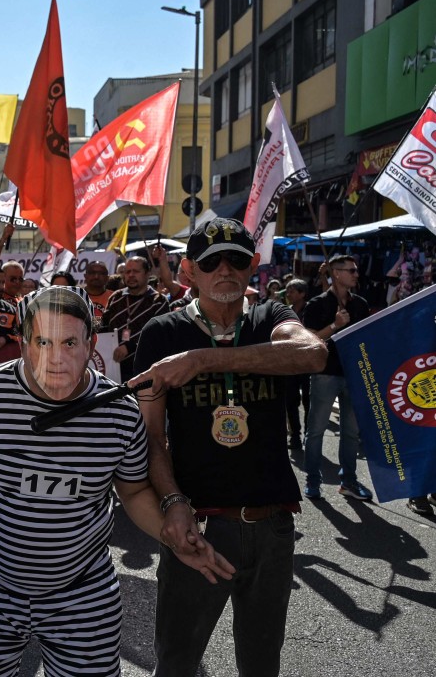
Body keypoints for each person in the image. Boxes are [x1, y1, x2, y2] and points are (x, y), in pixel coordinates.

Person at [0, 286, 232, 676]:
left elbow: (132, 491)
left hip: (83, 594)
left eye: (69, 342)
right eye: (42, 342)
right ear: (22, 344)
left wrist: (171, 538)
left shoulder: (118, 411)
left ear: (90, 344)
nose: (56, 359)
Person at [130, 217, 327, 677]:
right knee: (177, 662)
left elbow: (313, 354)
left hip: (271, 526)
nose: (225, 270)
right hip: (198, 524)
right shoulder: (163, 333)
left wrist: (203, 360)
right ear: (187, 272)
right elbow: (150, 437)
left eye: (237, 260)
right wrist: (173, 503)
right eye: (210, 261)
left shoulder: (271, 318)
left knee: (261, 666)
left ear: (252, 266)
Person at [301, 255, 374, 501]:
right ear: (337, 273)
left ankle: (349, 482)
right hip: (325, 374)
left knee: (351, 432)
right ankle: (313, 481)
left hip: (353, 373)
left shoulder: (361, 304)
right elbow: (309, 342)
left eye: (356, 270)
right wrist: (335, 325)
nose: (356, 274)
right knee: (316, 431)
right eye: (351, 270)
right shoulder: (317, 304)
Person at [102, 256, 169, 382]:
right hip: (114, 368)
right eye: (127, 272)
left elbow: (158, 336)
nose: (131, 275)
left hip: (146, 370)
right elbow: (104, 326)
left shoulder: (159, 301)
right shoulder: (116, 298)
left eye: (136, 271)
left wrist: (130, 347)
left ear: (148, 273)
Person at [284, 279, 312, 453]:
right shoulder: (286, 312)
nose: (288, 294)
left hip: (308, 363)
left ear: (302, 293)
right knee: (290, 401)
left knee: (309, 401)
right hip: (290, 363)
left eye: (292, 291)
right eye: (287, 291)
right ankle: (295, 436)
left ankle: (309, 436)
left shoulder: (310, 309)